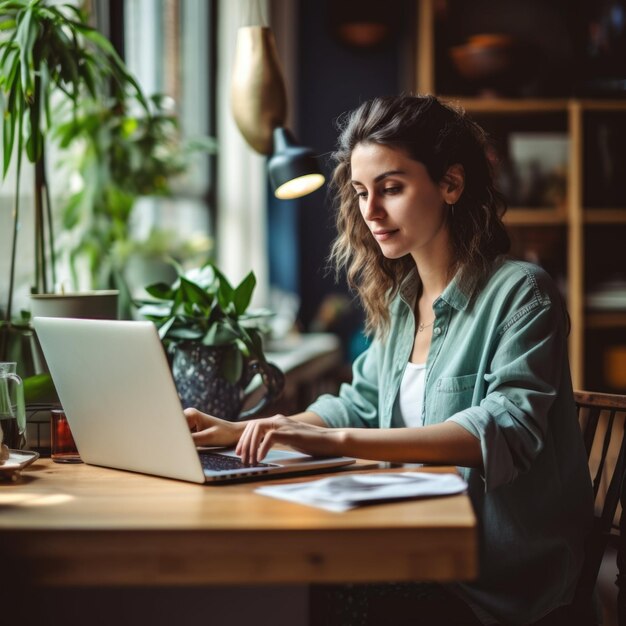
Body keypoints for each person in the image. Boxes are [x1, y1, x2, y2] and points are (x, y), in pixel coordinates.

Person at [184, 95, 594, 626]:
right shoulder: (404, 303)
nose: (370, 212)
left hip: (493, 580)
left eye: (391, 189)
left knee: (312, 596)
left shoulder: (522, 293)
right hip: (418, 549)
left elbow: (505, 428)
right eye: (360, 193)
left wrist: (331, 443)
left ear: (450, 184)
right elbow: (357, 403)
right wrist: (243, 430)